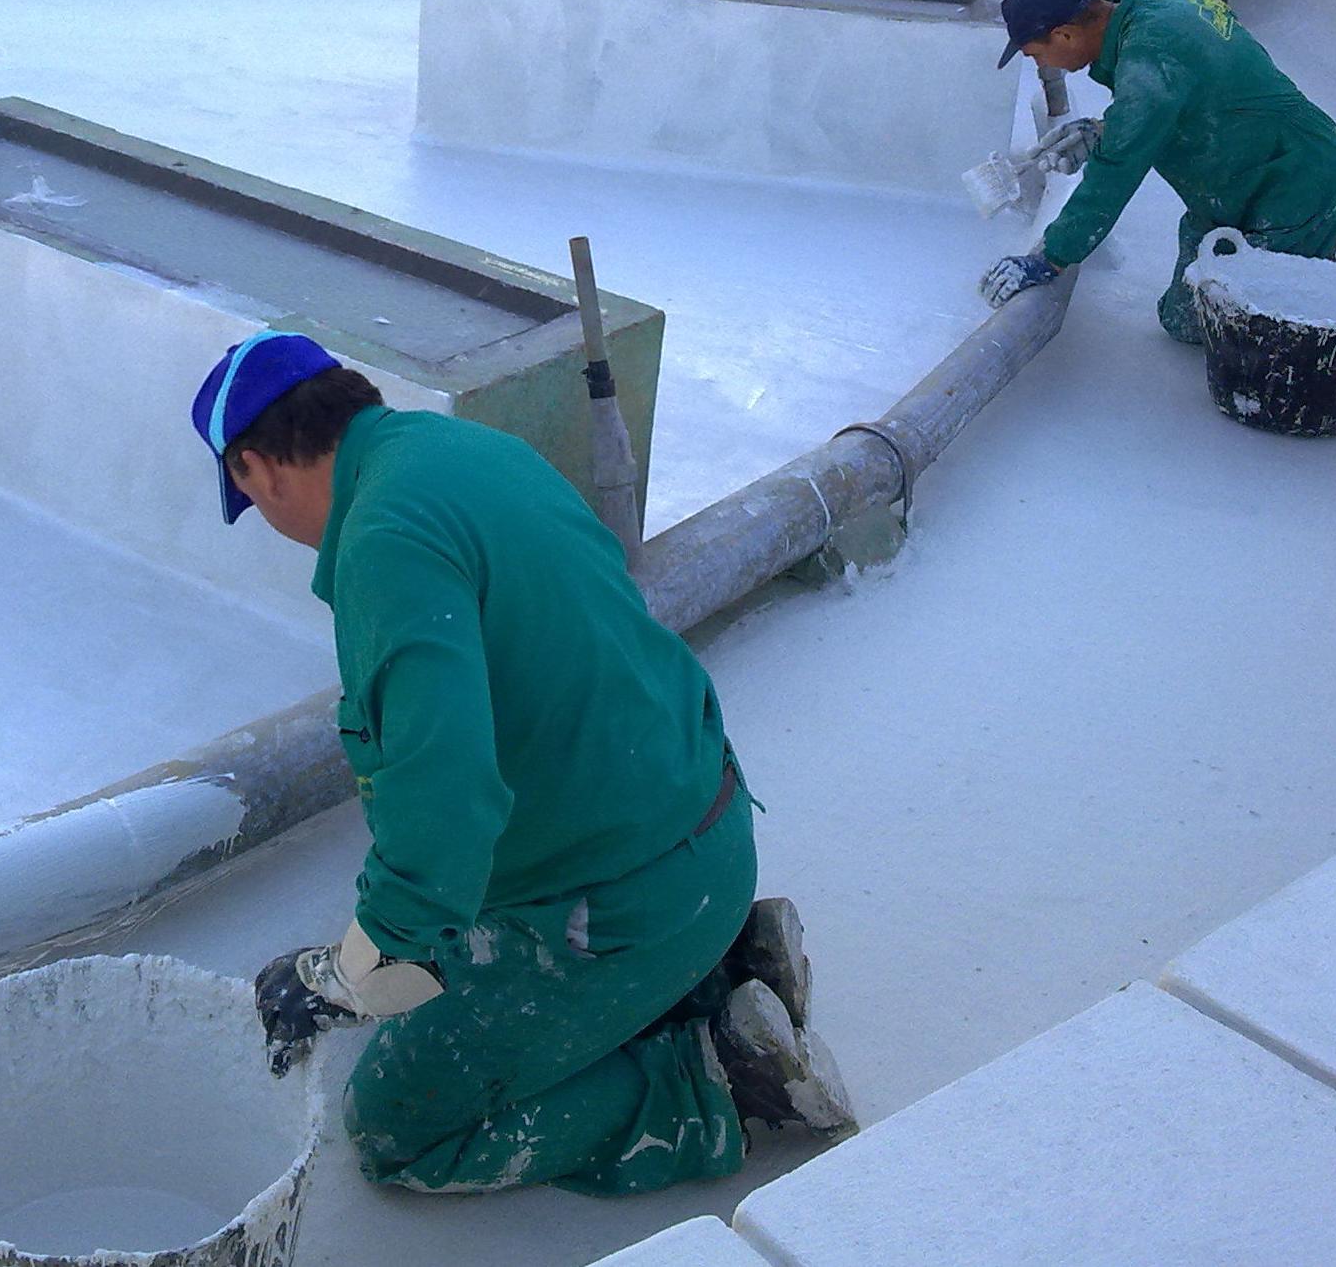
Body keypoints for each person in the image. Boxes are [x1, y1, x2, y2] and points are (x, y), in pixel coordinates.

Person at [190, 330, 855, 1197]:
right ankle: (729, 971)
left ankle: (714, 1079)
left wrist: (348, 973)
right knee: (463, 957)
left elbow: (443, 808)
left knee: (398, 1124)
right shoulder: (463, 450)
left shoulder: (384, 543)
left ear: (253, 468)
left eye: (249, 497)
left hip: (625, 904)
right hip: (705, 828)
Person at [980, 0, 1336, 343]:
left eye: (1035, 53)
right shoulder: (1170, 6)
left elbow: (1112, 180)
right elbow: (1201, 84)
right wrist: (1106, 130)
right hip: (1232, 185)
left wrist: (1050, 258)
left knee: (1272, 330)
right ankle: (1309, 266)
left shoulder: (1148, 66)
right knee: (1184, 321)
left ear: (1064, 34)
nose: (1041, 63)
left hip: (1295, 180)